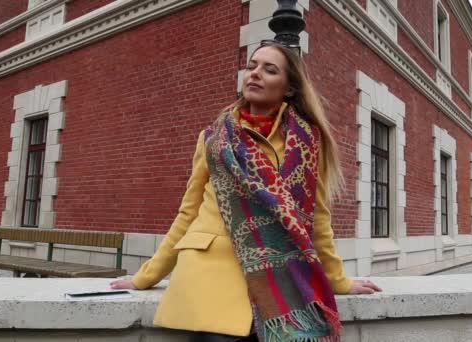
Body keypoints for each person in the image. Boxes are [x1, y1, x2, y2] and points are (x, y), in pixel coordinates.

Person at [110, 40, 382, 341]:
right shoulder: (213, 139)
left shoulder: (305, 143)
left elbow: (316, 218)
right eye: (252, 66)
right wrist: (145, 276)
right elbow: (188, 212)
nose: (254, 74)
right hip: (209, 275)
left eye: (269, 70)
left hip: (279, 280)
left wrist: (338, 280)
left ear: (289, 87)